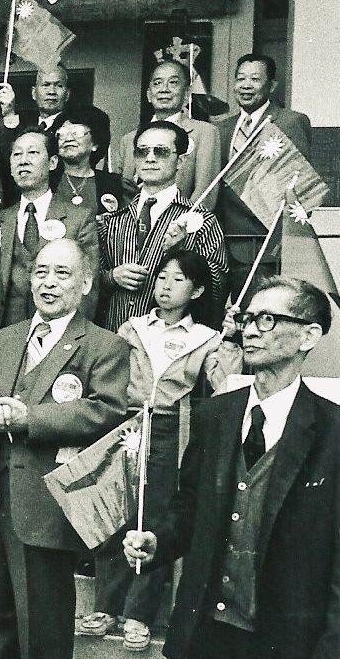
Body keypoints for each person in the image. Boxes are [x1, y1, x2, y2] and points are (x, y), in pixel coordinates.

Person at [124, 276, 340, 659]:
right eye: (248, 318)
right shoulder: (216, 415)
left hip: (284, 640)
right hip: (204, 633)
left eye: (267, 320)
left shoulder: (332, 432)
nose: (250, 331)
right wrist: (159, 541)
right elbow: (189, 506)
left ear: (308, 335)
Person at [0, 238, 129, 659]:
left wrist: (29, 418)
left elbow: (107, 410)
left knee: (41, 626)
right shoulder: (2, 339)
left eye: (62, 274)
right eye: (40, 272)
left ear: (86, 283)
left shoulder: (105, 345)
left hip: (46, 502)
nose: (48, 284)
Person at [82, 251, 232, 652]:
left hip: (170, 428)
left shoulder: (206, 338)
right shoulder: (131, 328)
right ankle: (106, 604)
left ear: (197, 290)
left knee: (158, 514)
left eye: (178, 280)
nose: (166, 286)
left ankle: (140, 611)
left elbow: (224, 384)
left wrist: (230, 341)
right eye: (162, 277)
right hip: (126, 425)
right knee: (117, 508)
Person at [0, 128, 98, 334]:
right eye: (17, 154)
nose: (23, 161)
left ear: (53, 163)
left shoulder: (78, 219)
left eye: (33, 153)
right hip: (6, 338)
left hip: (58, 339)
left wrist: (69, 339)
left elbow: (88, 290)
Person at [98, 121, 225, 330]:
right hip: (114, 340)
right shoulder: (111, 220)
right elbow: (88, 282)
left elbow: (216, 289)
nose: (150, 158)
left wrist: (181, 254)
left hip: (170, 344)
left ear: (180, 161)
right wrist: (112, 276)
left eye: (161, 152)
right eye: (142, 152)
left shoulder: (201, 221)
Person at [214, 53, 316, 304]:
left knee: (252, 316)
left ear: (271, 85)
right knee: (213, 322)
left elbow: (300, 188)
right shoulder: (220, 128)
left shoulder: (290, 121)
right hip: (218, 243)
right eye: (240, 79)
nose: (246, 85)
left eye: (254, 79)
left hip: (260, 245)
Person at [112, 60, 223, 206]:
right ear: (148, 95)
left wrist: (179, 225)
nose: (164, 89)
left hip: (177, 225)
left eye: (173, 83)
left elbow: (205, 192)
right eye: (157, 83)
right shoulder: (129, 139)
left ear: (186, 93)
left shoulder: (205, 133)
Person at [0, 66, 112, 184]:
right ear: (33, 93)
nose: (51, 91)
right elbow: (6, 163)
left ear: (67, 94)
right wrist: (9, 114)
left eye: (58, 86)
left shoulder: (78, 123)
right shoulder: (22, 125)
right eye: (46, 85)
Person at [56, 115, 136, 217]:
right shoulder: (47, 181)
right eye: (62, 133)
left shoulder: (116, 184)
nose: (68, 138)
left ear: (95, 144)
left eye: (77, 132)